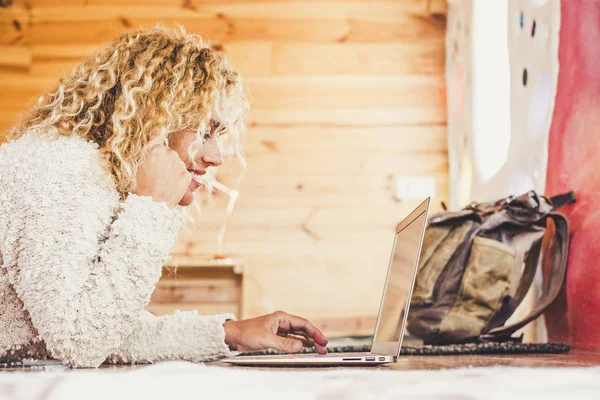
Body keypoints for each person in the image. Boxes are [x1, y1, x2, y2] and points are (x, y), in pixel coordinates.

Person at [0, 25, 327, 368]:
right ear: (152, 119)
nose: (216, 157)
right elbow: (82, 343)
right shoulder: (61, 169)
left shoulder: (86, 173)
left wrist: (231, 333)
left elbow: (106, 329)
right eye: (203, 130)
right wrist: (150, 207)